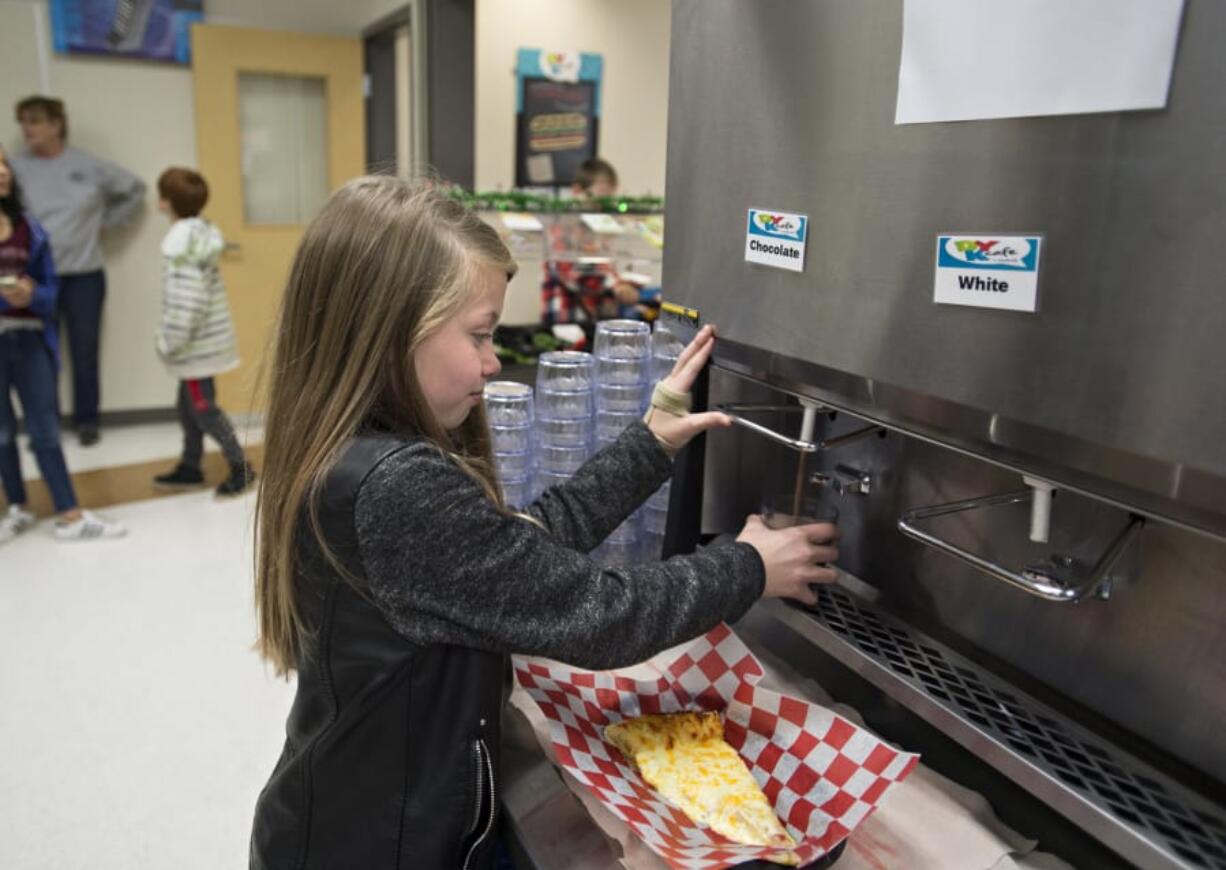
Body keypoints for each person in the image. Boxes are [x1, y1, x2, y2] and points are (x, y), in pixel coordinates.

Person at [248, 176, 839, 868]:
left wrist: (651, 442)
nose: (495, 361)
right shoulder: (397, 487)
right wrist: (751, 566)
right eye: (480, 334)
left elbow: (520, 543)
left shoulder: (355, 453)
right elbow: (600, 614)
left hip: (362, 819)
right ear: (389, 331)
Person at [0, 146, 125, 544]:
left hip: (32, 340)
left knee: (45, 431)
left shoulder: (30, 229)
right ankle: (17, 507)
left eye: (4, 164)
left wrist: (30, 296)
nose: (2, 171)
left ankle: (70, 514)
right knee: (1, 434)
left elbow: (53, 294)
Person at [11, 95, 146, 446]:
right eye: (23, 122)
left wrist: (108, 223)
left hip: (85, 275)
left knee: (85, 352)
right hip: (39, 279)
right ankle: (46, 424)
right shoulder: (17, 169)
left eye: (35, 121)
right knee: (42, 353)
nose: (27, 129)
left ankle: (88, 420)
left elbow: (135, 189)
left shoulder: (87, 165)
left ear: (57, 124)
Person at [150, 167, 255, 497]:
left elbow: (188, 302)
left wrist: (170, 342)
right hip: (202, 345)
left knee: (204, 409)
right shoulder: (199, 236)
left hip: (193, 348)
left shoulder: (181, 245)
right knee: (187, 406)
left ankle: (241, 467)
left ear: (165, 203)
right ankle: (190, 465)